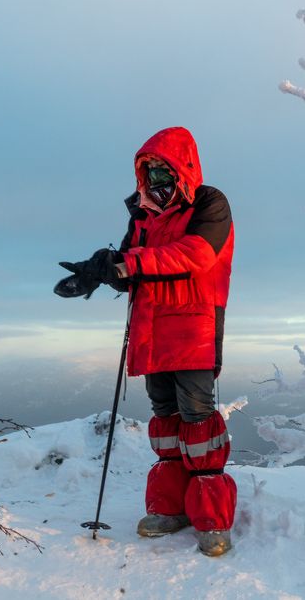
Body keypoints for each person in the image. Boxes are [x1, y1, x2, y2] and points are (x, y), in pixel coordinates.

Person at [54, 126, 236, 556]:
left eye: (162, 170)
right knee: (166, 417)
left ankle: (212, 518)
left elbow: (195, 255)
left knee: (197, 418)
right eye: (148, 172)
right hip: (151, 326)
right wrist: (98, 272)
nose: (155, 180)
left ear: (183, 168)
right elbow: (131, 268)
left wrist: (124, 264)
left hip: (193, 324)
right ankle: (170, 508)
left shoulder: (209, 203)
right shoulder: (142, 215)